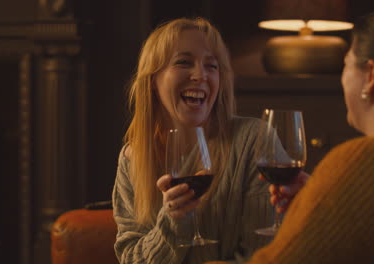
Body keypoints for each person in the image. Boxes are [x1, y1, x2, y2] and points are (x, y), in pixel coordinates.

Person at [206, 2, 374, 264]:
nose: (343, 77)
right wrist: (317, 202)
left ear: (371, 75)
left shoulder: (365, 160)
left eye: (346, 63)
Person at [112, 17, 295, 264]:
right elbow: (132, 259)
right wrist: (173, 222)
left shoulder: (254, 140)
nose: (201, 75)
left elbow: (264, 254)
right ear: (153, 80)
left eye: (212, 66)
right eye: (183, 62)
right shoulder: (132, 158)